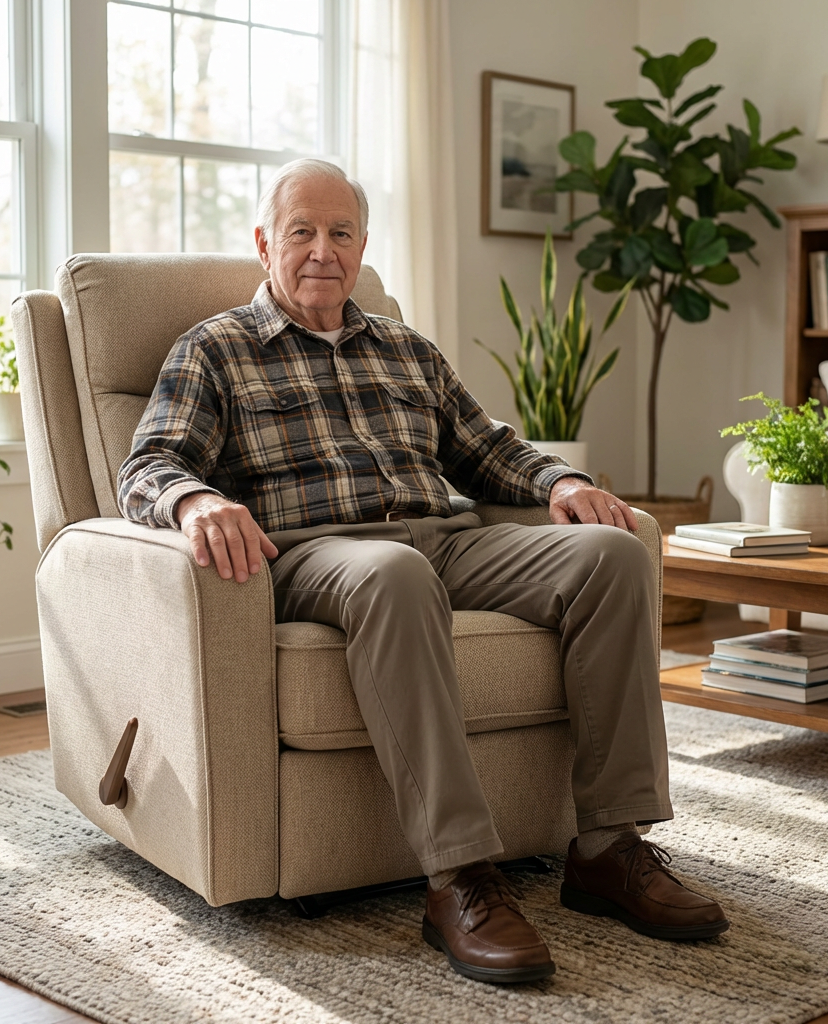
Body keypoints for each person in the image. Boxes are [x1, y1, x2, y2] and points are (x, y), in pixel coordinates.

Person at [118, 158, 729, 985]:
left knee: (613, 555)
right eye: (302, 231)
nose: (322, 250)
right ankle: (461, 879)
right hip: (317, 552)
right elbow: (149, 464)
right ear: (266, 243)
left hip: (442, 535)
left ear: (363, 245)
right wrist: (194, 502)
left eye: (341, 233)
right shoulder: (216, 349)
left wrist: (565, 481)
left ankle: (609, 849)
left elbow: (488, 450)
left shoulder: (407, 349)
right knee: (392, 575)